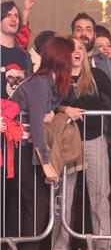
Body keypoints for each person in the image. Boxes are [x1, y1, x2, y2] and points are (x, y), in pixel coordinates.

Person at [51, 37, 111, 250]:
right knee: (64, 201)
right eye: (71, 48)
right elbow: (49, 105)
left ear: (85, 53)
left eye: (80, 48)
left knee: (99, 198)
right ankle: (59, 247)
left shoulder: (96, 75)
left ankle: (102, 246)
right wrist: (64, 109)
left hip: (94, 141)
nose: (76, 51)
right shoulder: (58, 77)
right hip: (67, 145)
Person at [8, 36, 73, 248]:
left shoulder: (47, 83)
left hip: (24, 149)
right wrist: (46, 165)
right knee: (36, 204)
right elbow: (36, 127)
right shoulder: (40, 83)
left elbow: (43, 113)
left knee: (31, 204)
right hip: (20, 149)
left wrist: (53, 112)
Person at [1, 0, 36, 99]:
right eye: (8, 15)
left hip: (19, 113)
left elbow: (31, 89)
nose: (13, 19)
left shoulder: (24, 55)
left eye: (16, 16)